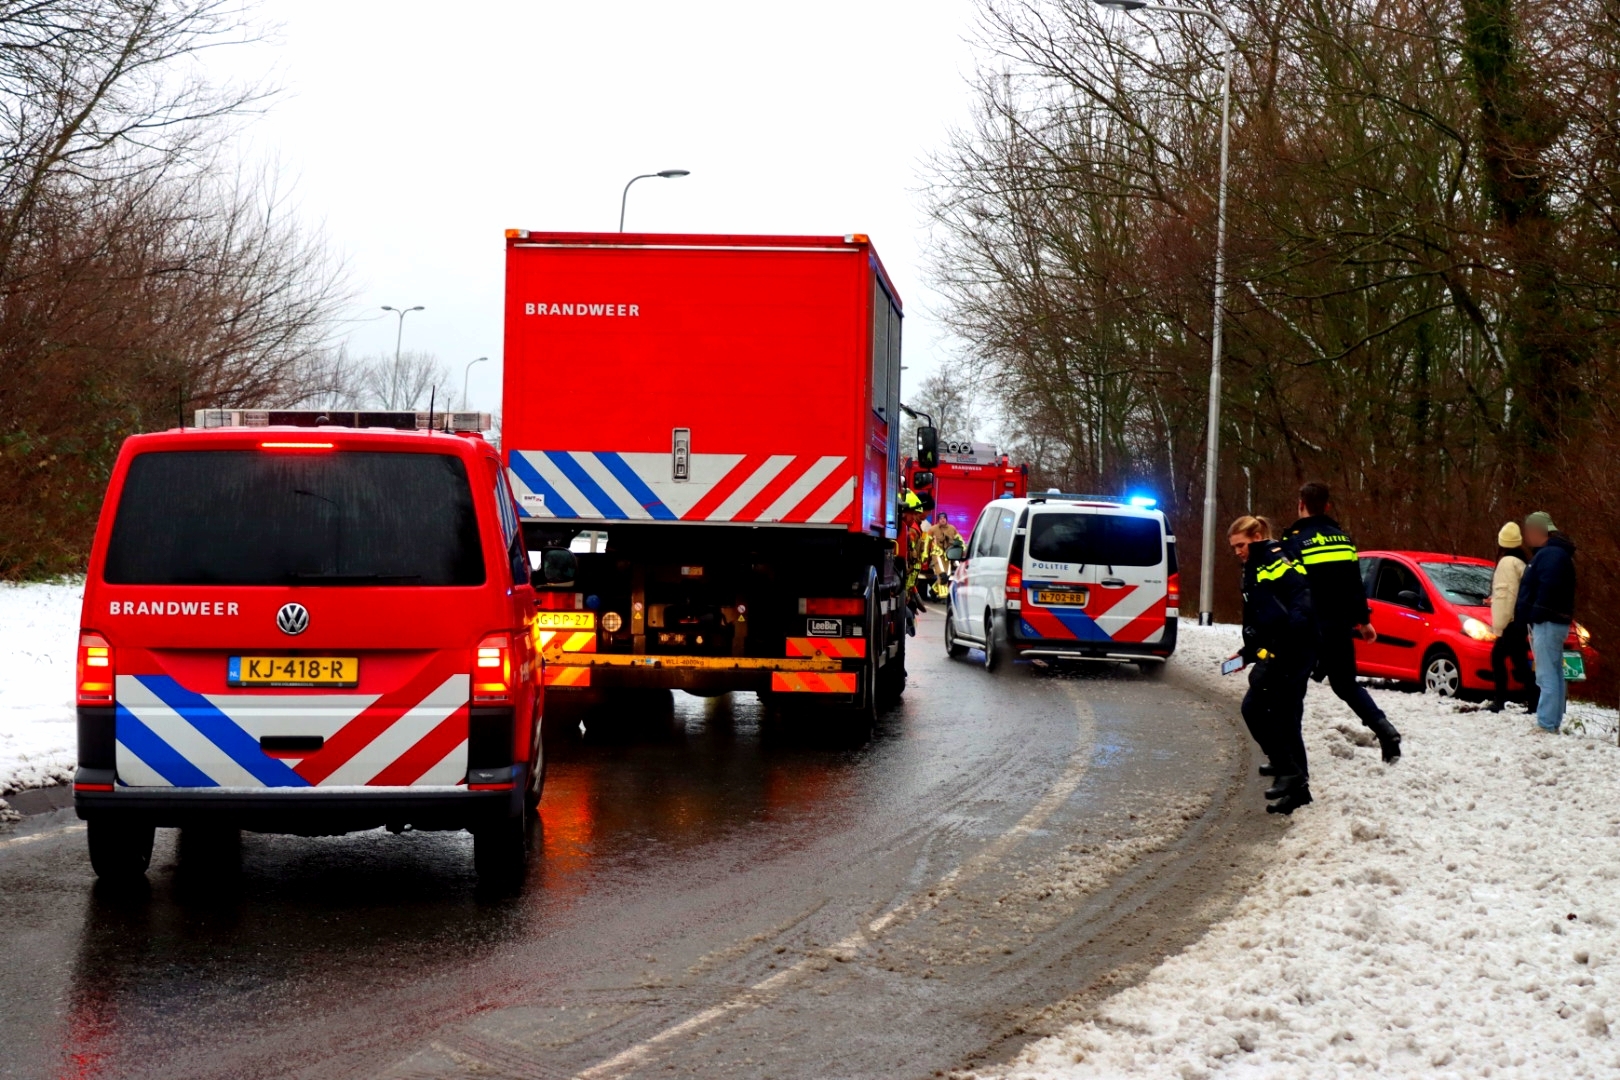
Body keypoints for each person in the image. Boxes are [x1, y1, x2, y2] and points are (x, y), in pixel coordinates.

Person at [1281, 482, 1402, 762]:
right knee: (1347, 685)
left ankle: (1287, 757)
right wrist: (1363, 621)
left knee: (1292, 688)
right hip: (1338, 626)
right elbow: (1354, 586)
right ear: (1327, 507)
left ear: (1301, 504)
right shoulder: (1344, 540)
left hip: (1307, 628)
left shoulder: (1294, 542)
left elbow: (1292, 589)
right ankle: (1385, 730)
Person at [1229, 515, 1317, 815]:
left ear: (1256, 536)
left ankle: (1287, 769)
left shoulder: (1274, 557)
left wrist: (1288, 638)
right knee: (1287, 718)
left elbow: (1300, 595)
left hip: (1293, 649)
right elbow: (1262, 616)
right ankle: (1298, 790)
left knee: (1255, 708)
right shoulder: (1254, 565)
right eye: (1234, 547)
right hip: (1282, 648)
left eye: (1241, 544)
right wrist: (1246, 653)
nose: (1238, 551)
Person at [1516, 511, 1577, 733]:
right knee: (1555, 671)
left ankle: (1546, 723)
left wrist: (1535, 612)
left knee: (1545, 673)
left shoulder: (1549, 555)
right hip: (1555, 620)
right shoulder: (1556, 554)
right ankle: (1553, 719)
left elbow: (1547, 588)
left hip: (1547, 621)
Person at [1488, 522, 1535, 714]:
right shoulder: (1521, 562)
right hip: (1520, 619)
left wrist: (1501, 623)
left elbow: (1506, 595)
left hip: (1511, 620)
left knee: (1498, 658)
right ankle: (1532, 700)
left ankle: (1500, 700)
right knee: (1518, 661)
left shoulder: (1506, 563)